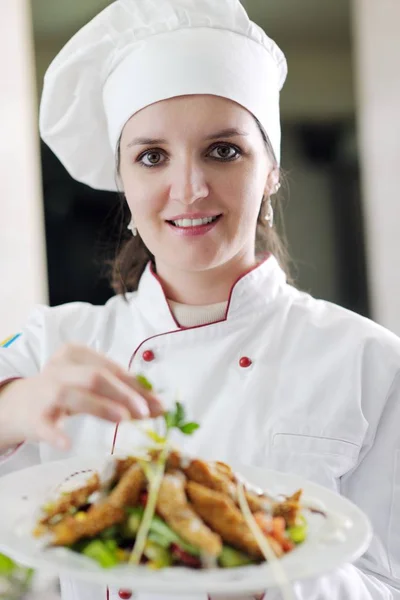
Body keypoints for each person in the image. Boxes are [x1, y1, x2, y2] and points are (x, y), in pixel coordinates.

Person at [0, 0, 399, 599]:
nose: (188, 188)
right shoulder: (52, 346)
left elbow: (385, 584)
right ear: (124, 182)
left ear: (271, 171)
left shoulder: (369, 361)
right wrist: (11, 409)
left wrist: (261, 574)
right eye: (151, 156)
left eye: (223, 150)